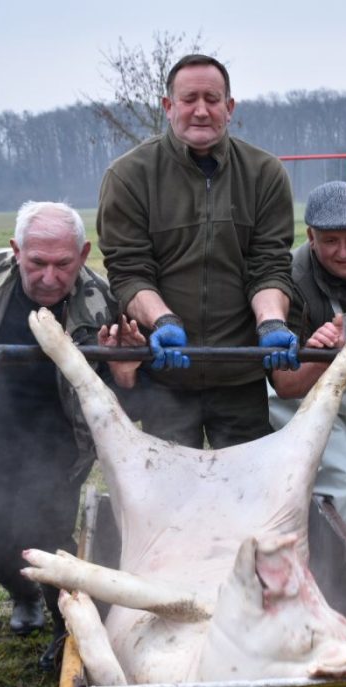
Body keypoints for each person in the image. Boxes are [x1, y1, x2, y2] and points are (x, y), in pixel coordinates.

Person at [0, 200, 142, 652]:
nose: (50, 278)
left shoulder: (102, 302)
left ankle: (67, 626)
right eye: (37, 263)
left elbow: (119, 399)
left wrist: (127, 372)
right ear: (16, 250)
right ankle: (20, 591)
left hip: (58, 439)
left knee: (50, 541)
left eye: (62, 264)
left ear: (84, 253)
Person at [97, 53, 298, 449]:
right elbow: (128, 271)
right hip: (167, 379)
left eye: (213, 98)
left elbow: (269, 266)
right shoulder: (129, 175)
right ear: (168, 107)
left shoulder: (265, 173)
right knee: (170, 498)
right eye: (189, 99)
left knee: (246, 499)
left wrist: (272, 323)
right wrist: (163, 320)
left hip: (241, 378)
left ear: (230, 107)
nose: (202, 111)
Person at [267, 181, 346, 574]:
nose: (344, 252)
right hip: (302, 400)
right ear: (310, 237)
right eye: (330, 241)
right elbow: (285, 384)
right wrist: (324, 355)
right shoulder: (290, 278)